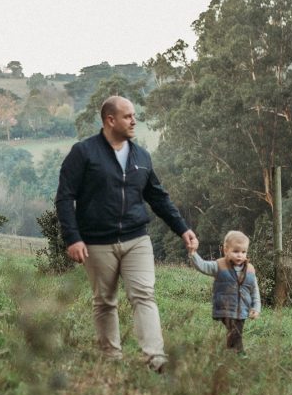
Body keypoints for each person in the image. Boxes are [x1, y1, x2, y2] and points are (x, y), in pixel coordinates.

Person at [55, 95, 198, 372]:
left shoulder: (141, 156)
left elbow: (158, 198)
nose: (134, 121)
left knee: (144, 295)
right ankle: (111, 358)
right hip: (97, 242)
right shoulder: (83, 153)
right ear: (110, 120)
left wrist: (183, 229)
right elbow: (64, 197)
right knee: (105, 301)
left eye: (134, 115)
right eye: (128, 116)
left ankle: (155, 359)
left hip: (136, 239)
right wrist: (73, 237)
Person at [189, 230, 261, 354]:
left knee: (236, 330)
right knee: (235, 330)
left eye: (243, 252)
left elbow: (255, 291)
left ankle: (230, 352)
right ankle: (239, 354)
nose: (240, 255)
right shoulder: (220, 265)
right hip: (226, 307)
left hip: (242, 309)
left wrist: (256, 307)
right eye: (236, 251)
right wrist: (193, 253)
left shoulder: (250, 269)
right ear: (226, 250)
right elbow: (203, 266)